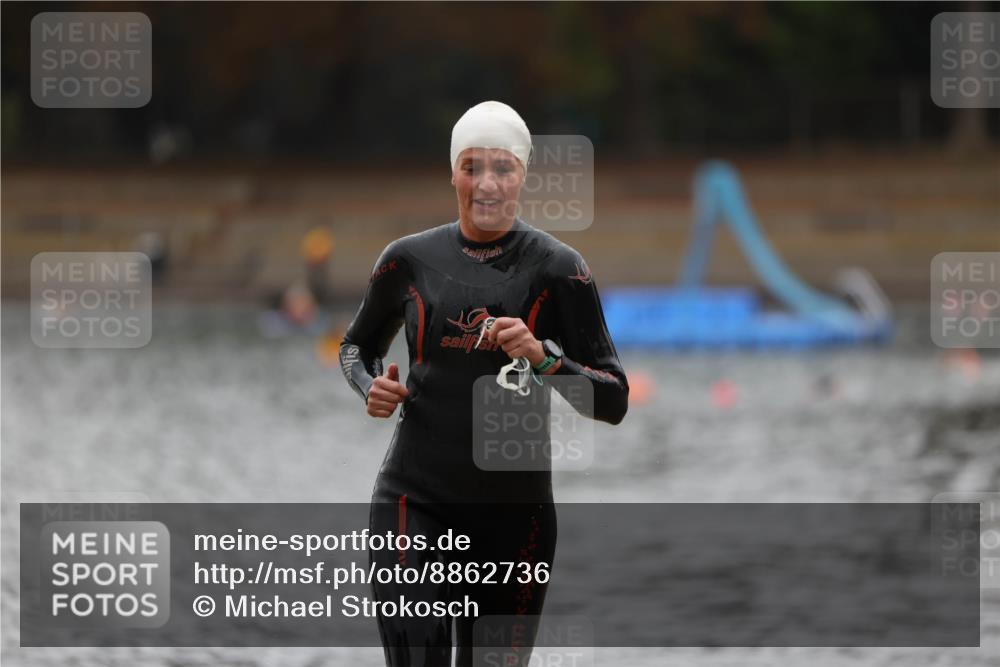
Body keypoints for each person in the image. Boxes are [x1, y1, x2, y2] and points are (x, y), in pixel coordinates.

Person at [339, 101, 628, 666]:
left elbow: (613, 399)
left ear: (523, 174)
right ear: (452, 173)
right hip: (413, 504)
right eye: (472, 167)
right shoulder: (408, 261)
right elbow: (357, 347)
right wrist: (370, 386)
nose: (487, 184)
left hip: (514, 523)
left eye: (503, 168)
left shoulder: (560, 269)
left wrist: (546, 361)